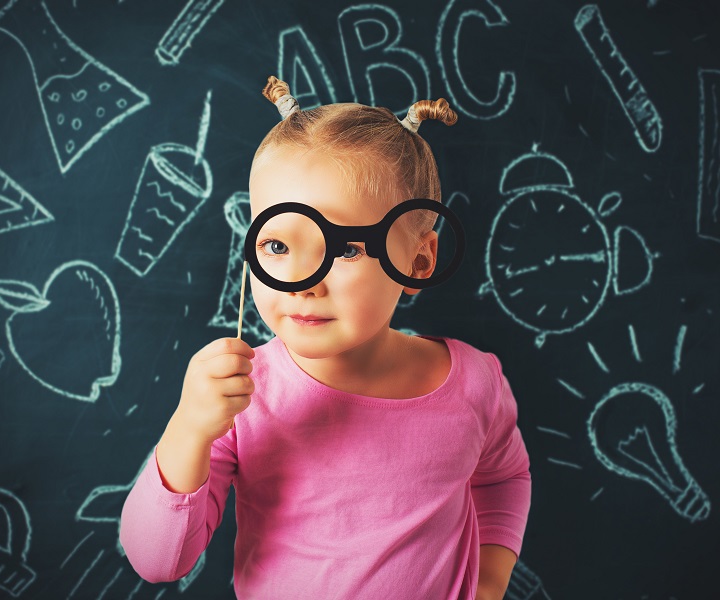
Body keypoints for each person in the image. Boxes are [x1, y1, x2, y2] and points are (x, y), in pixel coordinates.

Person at [120, 76, 532, 600]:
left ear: (419, 260)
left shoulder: (475, 383)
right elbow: (157, 562)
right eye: (275, 244)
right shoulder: (241, 397)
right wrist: (189, 429)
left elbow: (503, 479)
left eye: (347, 249)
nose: (304, 282)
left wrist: (491, 579)